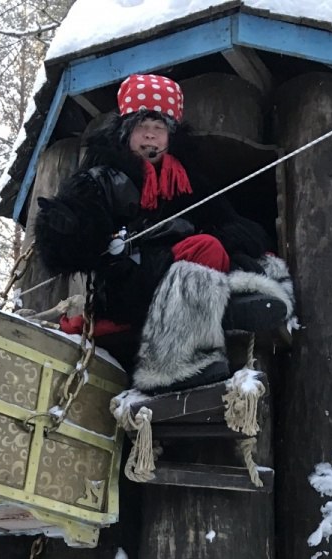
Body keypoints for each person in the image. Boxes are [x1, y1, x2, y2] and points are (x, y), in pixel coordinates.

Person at [35, 73, 295, 394]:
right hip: (125, 284)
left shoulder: (187, 182)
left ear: (170, 136)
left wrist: (247, 249)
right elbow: (74, 238)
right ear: (125, 132)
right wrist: (65, 228)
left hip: (173, 275)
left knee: (244, 256)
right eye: (142, 128)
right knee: (205, 249)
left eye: (158, 129)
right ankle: (179, 360)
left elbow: (228, 223)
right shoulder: (100, 178)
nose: (150, 137)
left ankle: (239, 297)